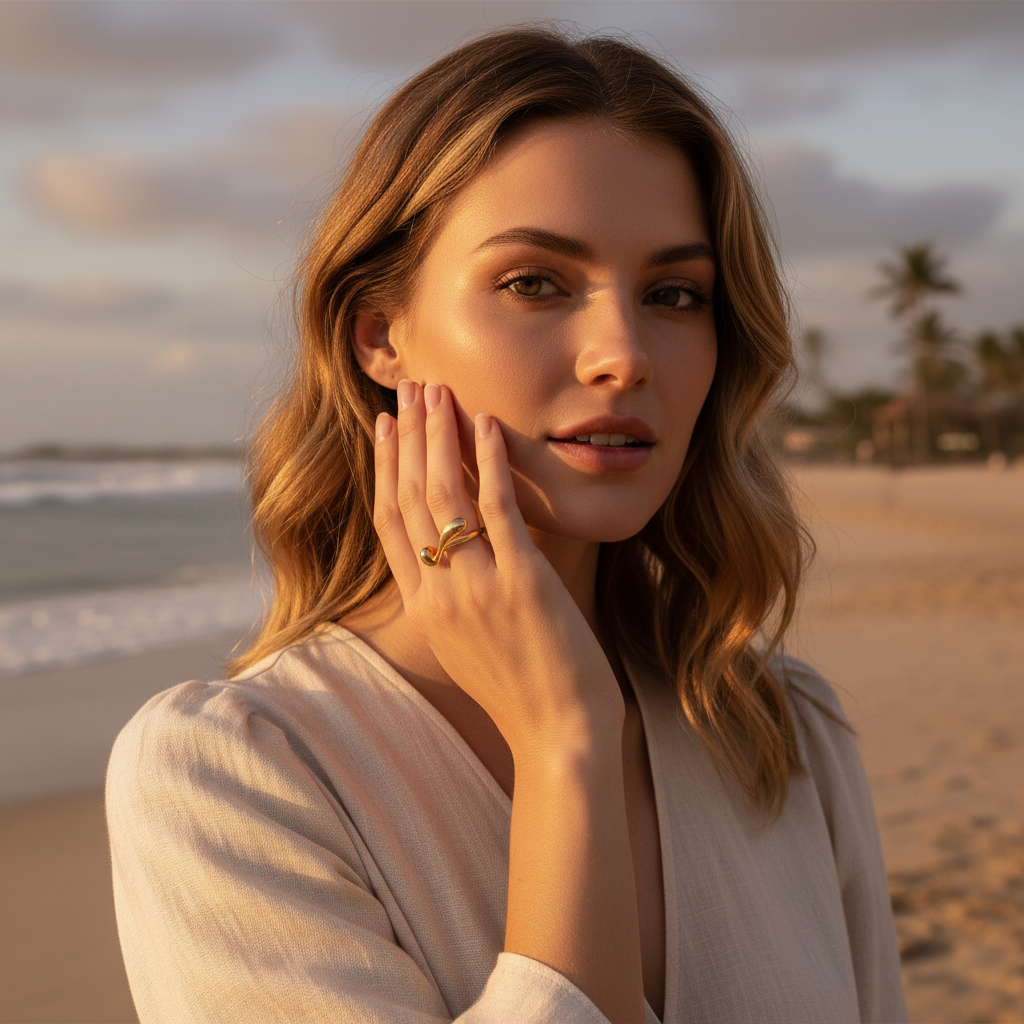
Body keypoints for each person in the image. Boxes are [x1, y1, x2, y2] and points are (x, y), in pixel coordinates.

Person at [106, 26, 908, 1024]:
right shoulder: (237, 775)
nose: (624, 355)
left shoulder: (781, 732)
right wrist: (563, 738)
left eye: (673, 294)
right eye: (535, 282)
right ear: (379, 335)